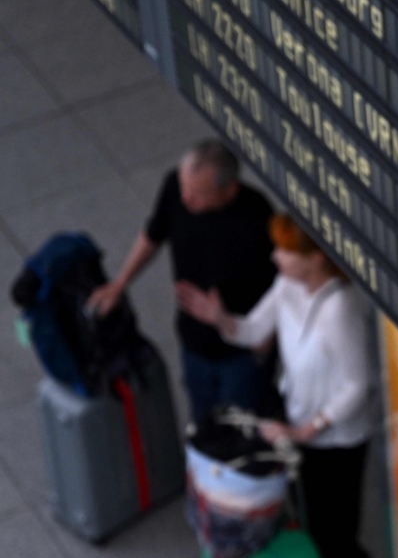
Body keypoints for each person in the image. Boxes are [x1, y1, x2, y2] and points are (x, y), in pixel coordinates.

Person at [175, 213, 373, 558]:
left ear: (315, 259)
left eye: (284, 250)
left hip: (337, 440)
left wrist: (307, 431)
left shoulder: (340, 309)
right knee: (309, 517)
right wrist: (220, 318)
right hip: (297, 420)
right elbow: (254, 329)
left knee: (335, 531)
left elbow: (359, 384)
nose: (274, 256)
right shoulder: (287, 285)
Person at [88, 139, 277, 422]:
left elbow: (279, 293)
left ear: (229, 190)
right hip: (193, 344)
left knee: (241, 433)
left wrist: (241, 330)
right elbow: (153, 234)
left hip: (241, 356)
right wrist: (120, 283)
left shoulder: (257, 219)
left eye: (198, 193)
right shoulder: (175, 187)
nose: (185, 198)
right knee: (201, 423)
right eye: (183, 185)